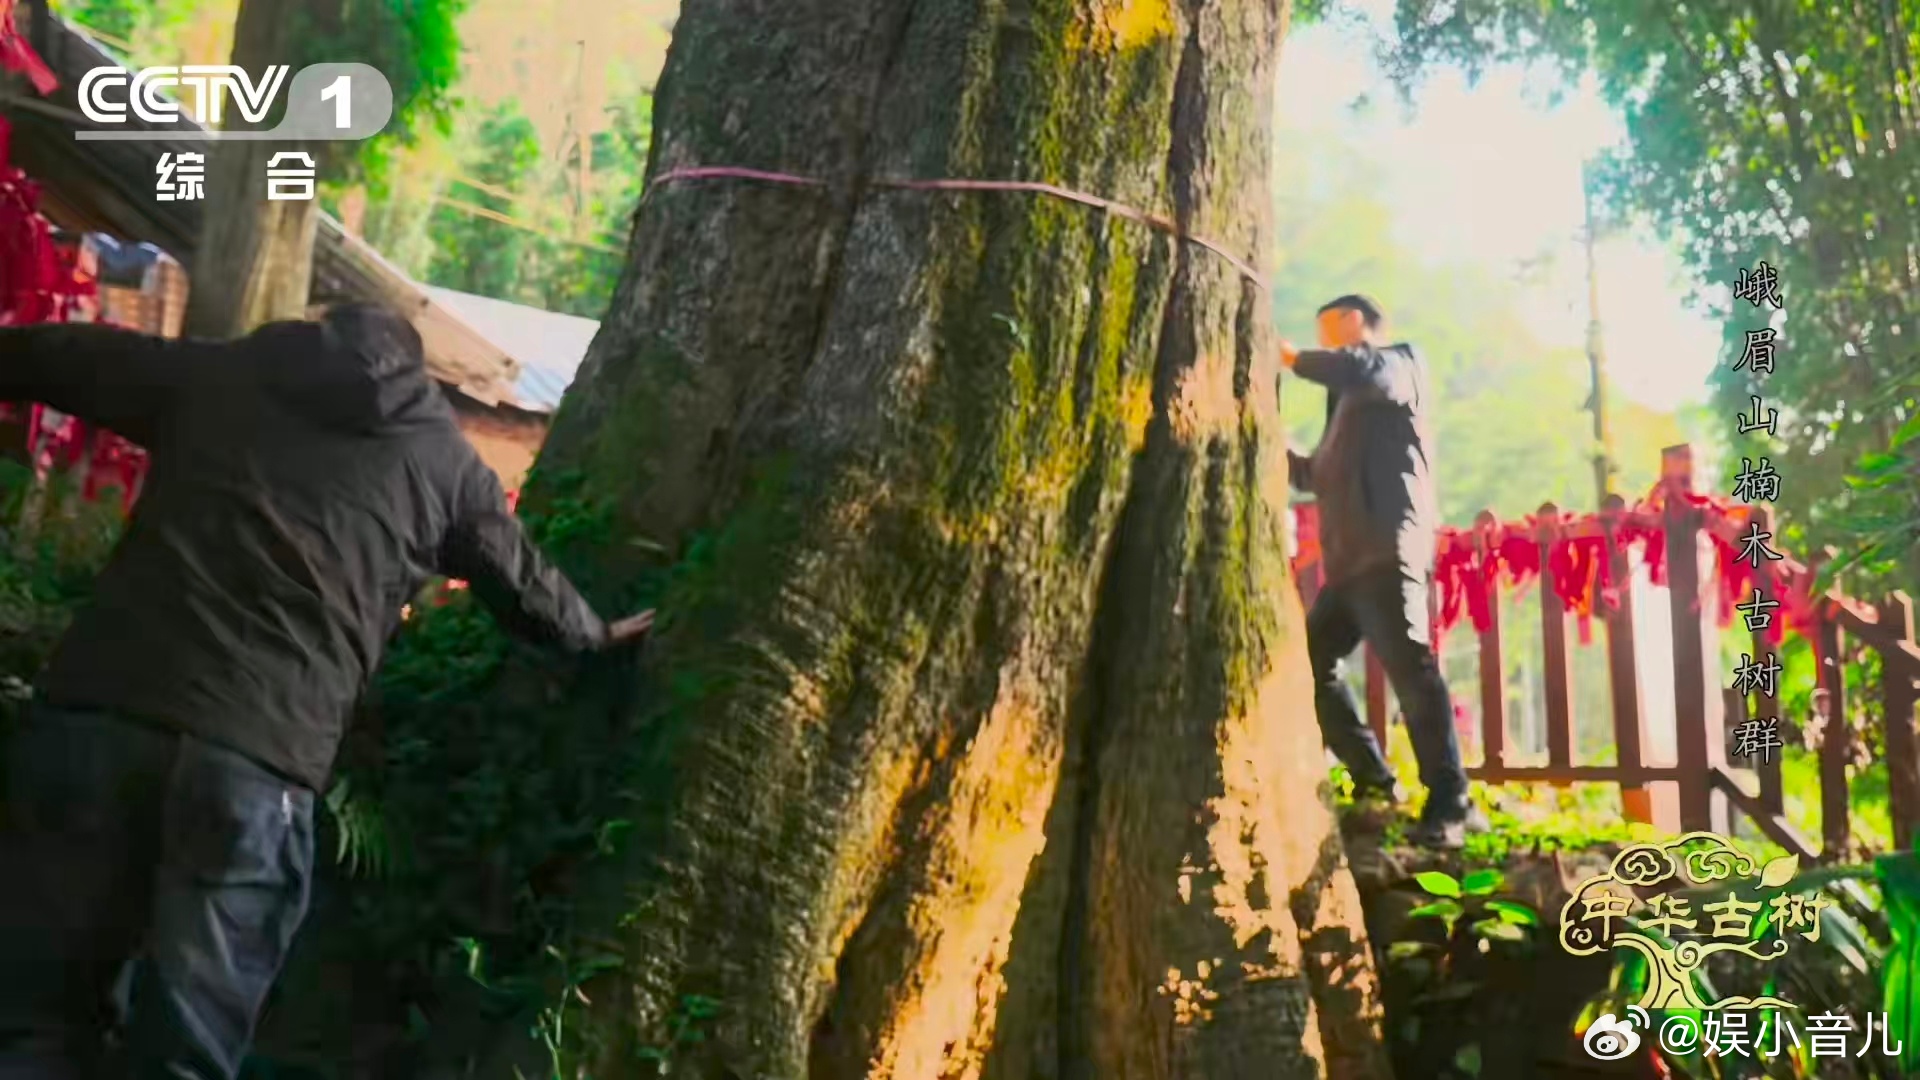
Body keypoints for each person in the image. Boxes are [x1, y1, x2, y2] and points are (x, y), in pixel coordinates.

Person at [0, 303, 653, 1078]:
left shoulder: (217, 376)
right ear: (419, 374)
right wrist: (600, 636)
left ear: (309, 330)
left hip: (97, 723)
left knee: (31, 1019)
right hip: (255, 769)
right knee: (187, 1047)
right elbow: (530, 590)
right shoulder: (442, 464)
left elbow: (62, 355)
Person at [1280, 294, 1483, 849]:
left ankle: (1452, 801)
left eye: (1328, 332)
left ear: (1354, 322)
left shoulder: (1398, 365)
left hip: (1389, 551)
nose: (1324, 345)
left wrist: (1292, 358)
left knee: (1412, 673)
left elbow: (1361, 367)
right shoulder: (1347, 406)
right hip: (1346, 566)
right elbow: (1316, 475)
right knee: (1307, 667)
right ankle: (1374, 778)